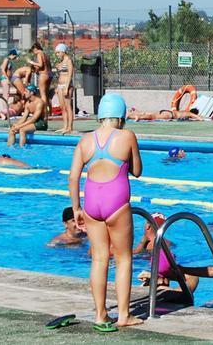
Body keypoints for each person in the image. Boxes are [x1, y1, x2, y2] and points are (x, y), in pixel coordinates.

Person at [68, 93, 144, 330]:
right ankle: (123, 315)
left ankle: (101, 315)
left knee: (99, 258)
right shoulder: (126, 136)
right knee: (123, 258)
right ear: (121, 117)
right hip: (116, 203)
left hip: (91, 204)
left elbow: (73, 178)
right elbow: (137, 171)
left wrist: (76, 208)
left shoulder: (85, 141)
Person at [54, 43, 76, 133]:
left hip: (67, 85)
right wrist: (57, 87)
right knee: (62, 107)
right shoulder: (61, 62)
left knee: (68, 107)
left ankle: (70, 127)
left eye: (58, 52)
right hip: (60, 86)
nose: (57, 54)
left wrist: (67, 87)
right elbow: (60, 75)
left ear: (63, 51)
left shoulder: (68, 61)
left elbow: (70, 74)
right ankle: (65, 126)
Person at [28, 42, 52, 111]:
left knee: (43, 94)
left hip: (43, 75)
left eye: (33, 51)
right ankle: (49, 110)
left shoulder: (39, 53)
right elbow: (47, 66)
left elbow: (40, 64)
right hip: (49, 74)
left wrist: (31, 62)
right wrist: (36, 69)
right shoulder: (45, 54)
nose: (34, 53)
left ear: (35, 49)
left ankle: (44, 111)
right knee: (47, 94)